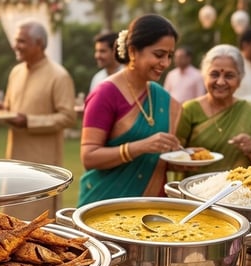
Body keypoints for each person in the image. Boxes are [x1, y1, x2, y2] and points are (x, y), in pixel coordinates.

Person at [78, 15, 183, 206]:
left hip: (152, 205)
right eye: (159, 55)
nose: (166, 63)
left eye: (169, 56)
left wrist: (187, 156)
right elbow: (89, 157)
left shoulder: (160, 96)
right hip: (106, 204)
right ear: (133, 51)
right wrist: (141, 146)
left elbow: (159, 157)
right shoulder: (106, 93)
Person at [0, 21, 76, 220]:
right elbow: (14, 111)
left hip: (43, 166)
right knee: (11, 221)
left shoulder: (59, 75)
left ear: (39, 44)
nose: (16, 46)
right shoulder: (16, 72)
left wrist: (30, 121)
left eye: (22, 41)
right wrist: (3, 111)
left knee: (38, 224)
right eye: (16, 41)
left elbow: (68, 117)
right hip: (14, 164)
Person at [174, 44, 251, 174]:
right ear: (204, 76)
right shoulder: (189, 110)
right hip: (195, 189)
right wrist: (189, 155)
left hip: (239, 191)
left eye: (229, 76)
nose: (221, 82)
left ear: (239, 79)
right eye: (214, 74)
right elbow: (173, 157)